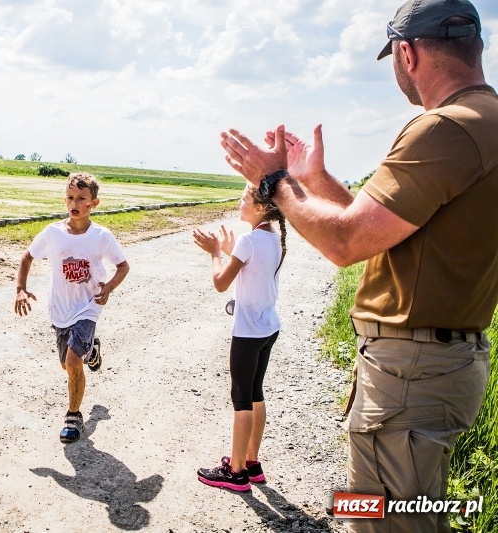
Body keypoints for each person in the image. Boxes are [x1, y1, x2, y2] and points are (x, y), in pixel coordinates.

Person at [218, 0, 497, 530]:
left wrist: (274, 182)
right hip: (430, 364)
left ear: (407, 53)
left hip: (411, 373)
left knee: (384, 519)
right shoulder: (484, 121)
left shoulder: (444, 129)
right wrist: (312, 180)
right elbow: (377, 229)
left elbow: (344, 244)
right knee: (400, 510)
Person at [14, 172, 130, 444]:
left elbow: (123, 266)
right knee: (68, 366)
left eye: (81, 198)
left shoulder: (101, 236)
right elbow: (27, 257)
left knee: (72, 361)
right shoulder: (53, 234)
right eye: (70, 197)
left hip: (87, 308)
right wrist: (20, 288)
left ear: (94, 203)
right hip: (60, 310)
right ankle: (92, 350)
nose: (74, 203)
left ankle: (73, 416)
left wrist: (109, 287)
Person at [192, 185, 287, 492]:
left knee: (241, 399)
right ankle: (251, 462)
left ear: (260, 207)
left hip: (247, 332)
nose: (239, 202)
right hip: (268, 327)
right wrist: (233, 251)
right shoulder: (274, 237)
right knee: (256, 392)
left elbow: (220, 283)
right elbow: (253, 270)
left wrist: (216, 253)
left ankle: (235, 474)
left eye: (244, 198)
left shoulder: (249, 240)